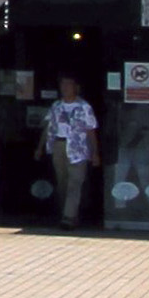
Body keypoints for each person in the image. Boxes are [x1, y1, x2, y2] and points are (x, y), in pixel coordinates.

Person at [41, 76, 101, 230]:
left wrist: (95, 152)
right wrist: (40, 147)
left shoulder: (84, 107)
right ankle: (69, 214)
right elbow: (48, 127)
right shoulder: (56, 106)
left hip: (78, 149)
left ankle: (68, 217)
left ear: (76, 87)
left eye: (68, 84)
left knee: (75, 182)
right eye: (63, 85)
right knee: (62, 183)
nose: (65, 88)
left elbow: (91, 130)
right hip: (59, 146)